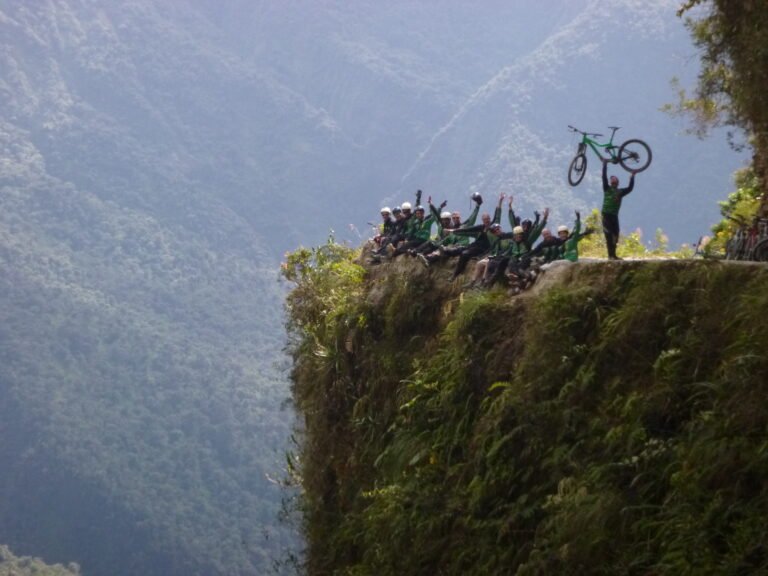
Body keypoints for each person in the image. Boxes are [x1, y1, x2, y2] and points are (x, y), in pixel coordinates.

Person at [601, 159, 635, 260]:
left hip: (614, 216)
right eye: (611, 179)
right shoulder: (607, 188)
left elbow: (630, 188)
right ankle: (610, 255)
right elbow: (604, 177)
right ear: (610, 182)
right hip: (606, 215)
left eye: (614, 178)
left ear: (617, 182)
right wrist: (605, 165)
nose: (612, 179)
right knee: (608, 234)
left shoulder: (620, 191)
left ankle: (614, 254)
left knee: (615, 234)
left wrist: (632, 176)